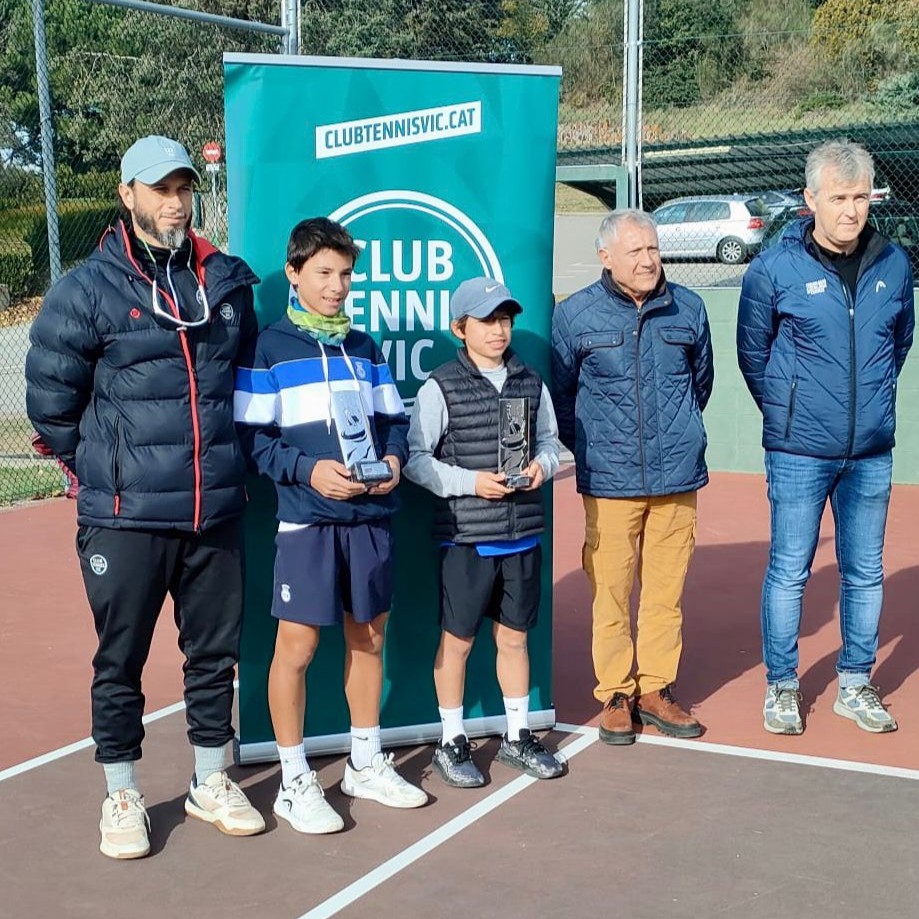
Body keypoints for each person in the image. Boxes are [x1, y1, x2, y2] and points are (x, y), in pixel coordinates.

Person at [25, 135, 265, 860]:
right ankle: (122, 792)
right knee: (121, 657)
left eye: (183, 188)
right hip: (125, 518)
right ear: (127, 194)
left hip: (213, 511)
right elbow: (50, 404)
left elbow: (244, 384)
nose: (175, 202)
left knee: (213, 655)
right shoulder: (86, 290)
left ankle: (210, 778)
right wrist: (108, 470)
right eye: (160, 189)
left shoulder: (225, 282)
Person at [234, 217, 426, 835]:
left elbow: (394, 423)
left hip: (369, 518)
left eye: (345, 274)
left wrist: (393, 460)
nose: (337, 286)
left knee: (368, 638)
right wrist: (309, 471)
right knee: (297, 647)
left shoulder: (364, 348)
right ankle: (294, 781)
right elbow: (251, 439)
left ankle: (364, 764)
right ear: (293, 274)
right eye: (323, 273)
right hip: (307, 521)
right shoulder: (268, 349)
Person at [738, 139, 914, 735]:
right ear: (810, 199)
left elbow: (897, 345)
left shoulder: (894, 264)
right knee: (790, 569)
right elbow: (753, 355)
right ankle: (782, 686)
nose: (851, 210)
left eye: (860, 197)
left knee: (865, 571)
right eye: (838, 198)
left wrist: (871, 405)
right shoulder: (773, 269)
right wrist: (790, 413)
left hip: (871, 451)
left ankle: (856, 683)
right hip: (798, 451)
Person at [551, 209, 713, 746]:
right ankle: (617, 695)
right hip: (609, 482)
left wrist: (680, 434)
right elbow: (562, 396)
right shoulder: (574, 315)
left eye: (653, 249)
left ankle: (656, 689)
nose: (648, 260)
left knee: (665, 594)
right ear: (606, 257)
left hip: (677, 478)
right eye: (635, 251)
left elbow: (701, 384)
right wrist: (597, 447)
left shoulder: (689, 307)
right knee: (611, 593)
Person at [404, 277, 564, 787]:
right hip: (467, 539)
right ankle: (451, 740)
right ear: (460, 328)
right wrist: (470, 483)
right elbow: (415, 460)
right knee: (458, 643)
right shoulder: (439, 386)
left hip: (522, 536)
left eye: (506, 319)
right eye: (488, 320)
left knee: (514, 640)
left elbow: (551, 444)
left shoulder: (531, 381)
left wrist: (542, 468)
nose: (500, 330)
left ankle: (518, 736)